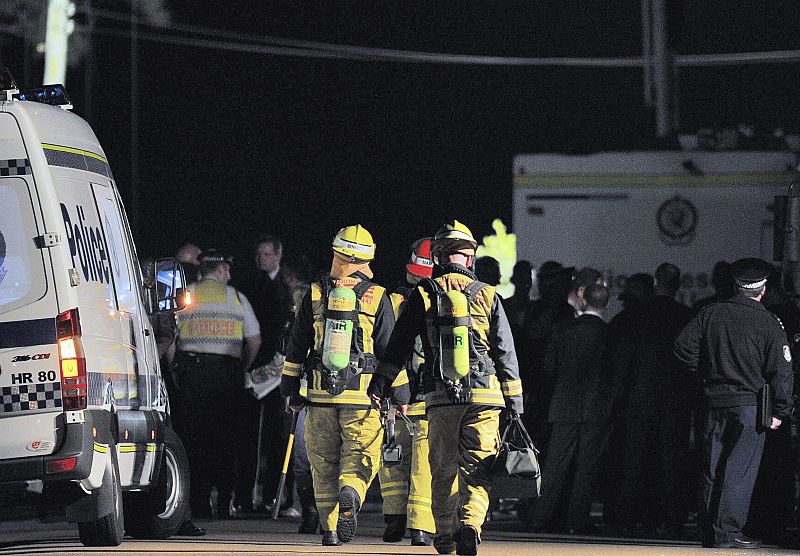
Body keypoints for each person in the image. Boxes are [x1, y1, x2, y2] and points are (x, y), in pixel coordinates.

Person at [368, 220, 523, 556]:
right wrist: (515, 402)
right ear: (470, 258)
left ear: (437, 257)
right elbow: (505, 352)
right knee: (477, 467)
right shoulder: (488, 295)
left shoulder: (424, 293)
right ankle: (471, 525)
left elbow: (399, 345)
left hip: (441, 398)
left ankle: (446, 534)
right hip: (485, 397)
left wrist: (380, 383)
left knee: (442, 468)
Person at [280, 224, 397, 546]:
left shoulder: (316, 292)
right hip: (362, 399)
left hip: (319, 395)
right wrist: (396, 393)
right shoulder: (378, 296)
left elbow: (297, 345)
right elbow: (389, 351)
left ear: (336, 253)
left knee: (322, 464)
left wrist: (290, 390)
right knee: (359, 455)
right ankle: (352, 492)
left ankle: (329, 529)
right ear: (367, 259)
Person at [674, 258, 794, 549]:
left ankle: (709, 529)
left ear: (736, 285)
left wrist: (705, 372)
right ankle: (726, 531)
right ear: (762, 289)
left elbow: (682, 348)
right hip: (749, 405)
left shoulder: (710, 313)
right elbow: (781, 371)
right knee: (738, 470)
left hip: (712, 400)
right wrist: (780, 410)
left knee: (711, 466)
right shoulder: (768, 322)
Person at [175, 249, 261, 519]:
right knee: (225, 441)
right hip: (226, 377)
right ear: (221, 270)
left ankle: (198, 503)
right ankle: (224, 503)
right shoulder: (236, 298)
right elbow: (255, 340)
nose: (229, 275)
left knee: (195, 441)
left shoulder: (185, 295)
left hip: (193, 374)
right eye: (227, 270)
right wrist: (242, 367)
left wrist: (175, 370)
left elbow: (170, 337)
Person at [612, 263, 693, 538]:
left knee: (633, 459)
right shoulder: (686, 316)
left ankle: (626, 518)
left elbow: (622, 362)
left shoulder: (635, 316)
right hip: (675, 400)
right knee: (671, 460)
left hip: (638, 397)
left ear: (656, 282)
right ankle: (671, 519)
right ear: (678, 285)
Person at [531, 283, 613, 534]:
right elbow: (615, 374)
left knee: (555, 464)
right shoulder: (610, 334)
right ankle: (576, 521)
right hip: (596, 408)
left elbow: (548, 367)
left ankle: (541, 517)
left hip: (563, 405)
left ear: (583, 300)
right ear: (605, 305)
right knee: (586, 466)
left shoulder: (564, 330)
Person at [140, 257, 206, 536]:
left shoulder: (148, 298)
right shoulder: (152, 300)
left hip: (146, 374)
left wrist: (147, 360)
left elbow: (166, 337)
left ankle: (176, 515)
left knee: (165, 442)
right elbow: (166, 337)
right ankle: (174, 516)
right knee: (167, 442)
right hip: (145, 375)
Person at [378, 238, 436, 546]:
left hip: (394, 394)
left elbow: (384, 347)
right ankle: (420, 528)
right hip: (427, 397)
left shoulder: (390, 300)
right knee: (423, 463)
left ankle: (394, 521)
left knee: (392, 458)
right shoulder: (441, 300)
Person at [235, 235, 296, 515]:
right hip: (254, 368)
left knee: (278, 439)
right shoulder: (249, 285)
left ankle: (274, 497)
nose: (262, 260)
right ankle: (245, 497)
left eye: (267, 254)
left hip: (278, 370)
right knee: (248, 438)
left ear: (278, 256)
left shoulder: (288, 286)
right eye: (258, 254)